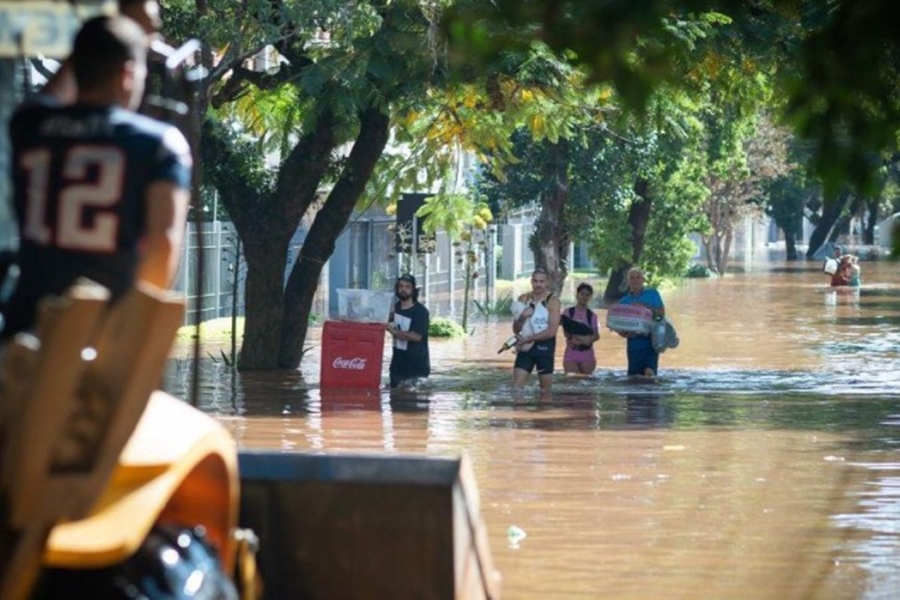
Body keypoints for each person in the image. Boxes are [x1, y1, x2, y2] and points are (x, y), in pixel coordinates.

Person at [3, 14, 191, 338]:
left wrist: (98, 40)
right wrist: (127, 341)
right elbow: (162, 248)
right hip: (102, 334)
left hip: (24, 332)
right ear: (128, 75)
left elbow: (51, 95)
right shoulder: (159, 143)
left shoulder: (29, 124)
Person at [511, 268, 561, 391]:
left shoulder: (553, 301)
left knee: (545, 391)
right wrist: (522, 317)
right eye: (535, 281)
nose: (538, 284)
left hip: (545, 348)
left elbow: (552, 331)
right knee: (516, 389)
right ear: (531, 281)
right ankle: (518, 409)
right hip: (525, 348)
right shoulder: (523, 299)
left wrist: (529, 339)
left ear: (547, 282)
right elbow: (516, 330)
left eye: (541, 281)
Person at [616, 267, 665, 377]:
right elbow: (619, 327)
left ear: (643, 279)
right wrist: (624, 333)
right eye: (632, 278)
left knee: (649, 374)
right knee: (634, 378)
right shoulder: (624, 301)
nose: (635, 280)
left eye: (638, 277)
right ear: (628, 282)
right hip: (633, 344)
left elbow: (661, 315)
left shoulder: (653, 294)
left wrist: (644, 306)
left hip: (651, 342)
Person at [385, 274, 430, 388]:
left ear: (413, 290)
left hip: (416, 369)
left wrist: (392, 331)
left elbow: (416, 336)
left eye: (407, 287)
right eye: (400, 286)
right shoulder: (397, 307)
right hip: (397, 367)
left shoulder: (421, 311)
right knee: (395, 401)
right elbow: (389, 317)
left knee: (412, 402)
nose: (403, 289)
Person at [562, 282, 600, 375]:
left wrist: (588, 339)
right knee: (572, 380)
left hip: (587, 354)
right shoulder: (568, 312)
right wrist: (581, 339)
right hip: (571, 352)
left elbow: (596, 335)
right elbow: (566, 333)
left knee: (586, 383)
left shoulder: (592, 316)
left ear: (590, 297)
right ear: (577, 295)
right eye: (582, 294)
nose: (584, 297)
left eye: (587, 295)